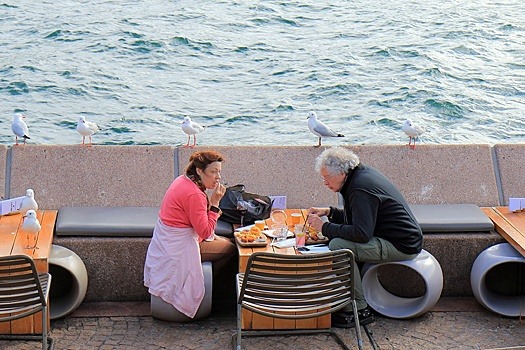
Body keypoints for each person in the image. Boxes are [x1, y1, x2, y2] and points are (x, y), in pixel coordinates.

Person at [307, 147, 423, 328]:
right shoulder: (361, 176)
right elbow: (362, 216)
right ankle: (348, 299)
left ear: (342, 173)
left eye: (327, 177)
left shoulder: (360, 188)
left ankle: (359, 310)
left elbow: (361, 233)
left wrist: (324, 227)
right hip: (397, 237)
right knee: (337, 238)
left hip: (400, 244)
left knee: (338, 245)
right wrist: (330, 212)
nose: (325, 183)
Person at [144, 150, 236, 319]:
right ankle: (214, 295)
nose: (218, 177)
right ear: (199, 171)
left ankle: (211, 289)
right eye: (213, 172)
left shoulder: (182, 180)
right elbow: (206, 231)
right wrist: (214, 205)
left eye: (219, 172)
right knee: (230, 248)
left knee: (224, 241)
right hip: (178, 246)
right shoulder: (194, 194)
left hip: (167, 240)